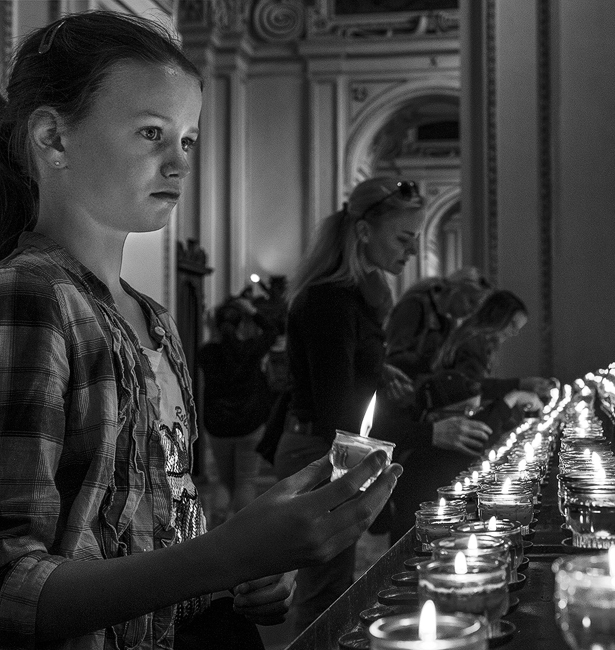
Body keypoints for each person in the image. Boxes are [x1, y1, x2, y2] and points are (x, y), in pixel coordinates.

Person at [0, 12, 401, 650]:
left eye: (187, 140)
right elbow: (11, 586)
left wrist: (237, 574)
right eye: (151, 133)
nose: (179, 162)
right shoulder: (32, 296)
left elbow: (164, 518)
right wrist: (221, 559)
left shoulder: (152, 317)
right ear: (54, 137)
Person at [275, 176, 493, 631]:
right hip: (322, 453)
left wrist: (377, 370)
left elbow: (343, 378)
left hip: (335, 450)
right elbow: (339, 417)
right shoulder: (329, 302)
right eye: (404, 238)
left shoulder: (354, 298)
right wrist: (433, 432)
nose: (412, 250)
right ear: (363, 232)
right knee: (322, 596)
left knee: (334, 587)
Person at [388, 370, 542, 542]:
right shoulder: (426, 460)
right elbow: (481, 436)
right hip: (418, 547)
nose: (475, 419)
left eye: (478, 410)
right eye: (468, 412)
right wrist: (512, 398)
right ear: (435, 418)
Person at [199, 296, 276, 525]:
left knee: (223, 481)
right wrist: (252, 310)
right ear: (242, 324)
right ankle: (244, 532)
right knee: (246, 481)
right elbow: (271, 332)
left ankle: (216, 529)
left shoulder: (207, 353)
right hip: (249, 423)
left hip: (218, 425)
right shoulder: (250, 349)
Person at [433, 289, 555, 402]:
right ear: (497, 315)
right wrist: (520, 385)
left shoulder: (478, 341)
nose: (514, 333)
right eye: (513, 324)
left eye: (518, 329)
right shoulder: (472, 342)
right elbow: (470, 388)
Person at [384, 267, 491, 382]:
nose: (472, 311)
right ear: (457, 289)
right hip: (399, 386)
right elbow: (393, 356)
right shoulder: (415, 306)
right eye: (471, 301)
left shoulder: (447, 322)